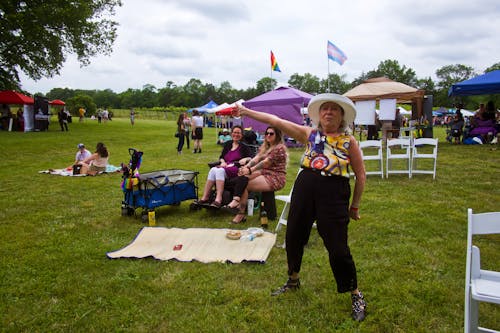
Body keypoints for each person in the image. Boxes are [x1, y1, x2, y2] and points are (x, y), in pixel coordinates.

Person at [232, 93, 367, 322]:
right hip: (305, 188)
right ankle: (293, 279)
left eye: (334, 109)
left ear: (342, 115)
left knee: (337, 247)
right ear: (319, 114)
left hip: (334, 193)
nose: (328, 112)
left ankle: (355, 294)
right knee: (294, 236)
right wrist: (246, 112)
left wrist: (354, 206)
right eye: (325, 108)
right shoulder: (310, 134)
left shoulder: (349, 141)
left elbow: (361, 175)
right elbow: (276, 121)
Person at [223, 126, 288, 224]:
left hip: (275, 177)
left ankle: (240, 212)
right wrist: (246, 167)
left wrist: (249, 170)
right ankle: (237, 203)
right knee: (243, 177)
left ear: (278, 135)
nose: (268, 135)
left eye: (271, 133)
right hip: (264, 173)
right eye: (267, 133)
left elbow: (265, 163)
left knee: (245, 183)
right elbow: (256, 159)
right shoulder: (265, 146)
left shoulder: (279, 148)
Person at [196, 126, 252, 208]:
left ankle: (218, 199)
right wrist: (222, 162)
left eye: (238, 133)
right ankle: (205, 197)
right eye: (234, 132)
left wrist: (245, 158)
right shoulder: (228, 144)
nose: (236, 134)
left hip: (236, 168)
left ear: (242, 135)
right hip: (225, 166)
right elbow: (221, 157)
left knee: (219, 171)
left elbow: (251, 158)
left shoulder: (244, 147)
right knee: (213, 169)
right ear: (231, 133)